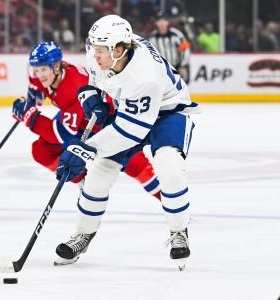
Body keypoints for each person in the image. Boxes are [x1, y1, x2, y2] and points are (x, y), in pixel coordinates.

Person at [54, 15, 199, 271]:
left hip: (168, 111)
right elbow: (95, 78)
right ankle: (84, 235)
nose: (94, 55)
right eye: (93, 48)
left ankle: (179, 230)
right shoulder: (104, 51)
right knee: (99, 172)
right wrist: (90, 95)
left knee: (169, 164)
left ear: (119, 50)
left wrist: (85, 150)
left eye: (101, 50)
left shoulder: (143, 76)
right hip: (131, 111)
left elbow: (130, 131)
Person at [11, 41, 162, 202]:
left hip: (108, 123)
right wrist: (31, 97)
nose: (39, 75)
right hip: (81, 123)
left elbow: (60, 135)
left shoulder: (73, 87)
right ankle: (85, 184)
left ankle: (169, 201)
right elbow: (38, 88)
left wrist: (31, 117)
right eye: (36, 69)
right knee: (42, 151)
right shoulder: (49, 75)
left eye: (43, 69)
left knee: (136, 165)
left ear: (56, 67)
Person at [148, 11, 191, 84]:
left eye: (164, 20)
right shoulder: (152, 37)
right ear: (156, 23)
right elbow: (149, 54)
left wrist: (183, 65)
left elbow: (186, 49)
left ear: (168, 22)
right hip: (161, 70)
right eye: (159, 21)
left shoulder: (176, 34)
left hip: (177, 67)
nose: (161, 23)